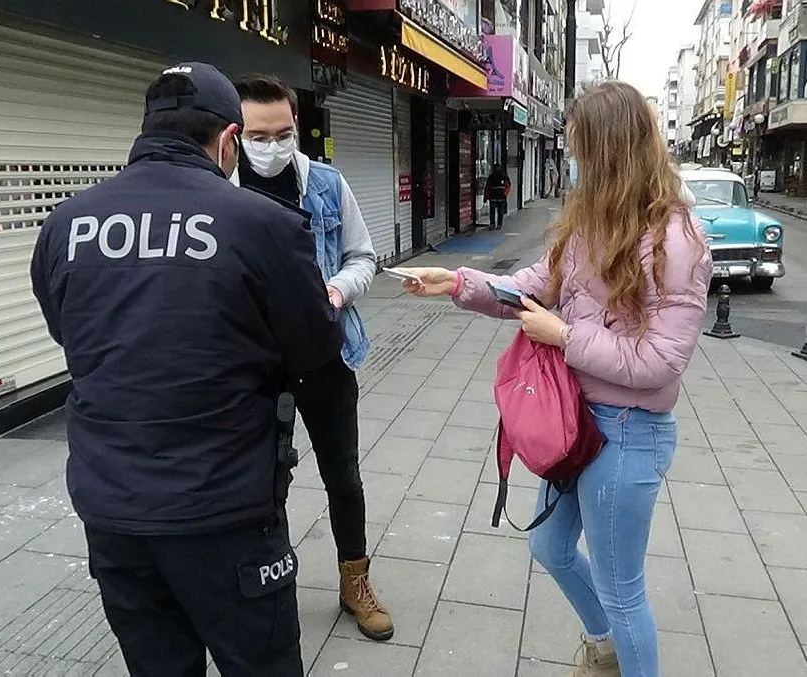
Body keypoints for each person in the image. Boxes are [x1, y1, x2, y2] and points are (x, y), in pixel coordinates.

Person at [30, 62, 343, 677]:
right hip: (225, 512)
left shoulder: (64, 225)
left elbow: (69, 334)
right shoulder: (263, 225)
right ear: (229, 139)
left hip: (114, 514)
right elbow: (314, 349)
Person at [395, 81, 711, 677]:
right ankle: (605, 645)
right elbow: (531, 286)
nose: (573, 163)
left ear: (610, 151)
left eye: (579, 150)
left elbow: (662, 363)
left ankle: (621, 650)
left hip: (627, 432)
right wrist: (459, 284)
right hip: (575, 424)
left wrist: (565, 338)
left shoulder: (676, 239)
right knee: (549, 545)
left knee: (624, 590)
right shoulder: (590, 224)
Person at [231, 74, 393, 641]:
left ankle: (356, 581)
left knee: (342, 476)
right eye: (258, 134)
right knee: (257, 484)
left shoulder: (325, 183)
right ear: (235, 133)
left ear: (296, 126)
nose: (272, 146)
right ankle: (260, 590)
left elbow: (364, 256)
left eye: (283, 133)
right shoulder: (218, 191)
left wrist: (336, 290)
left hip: (324, 357)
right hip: (252, 368)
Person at [483, 164, 511, 230]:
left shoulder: (502, 177)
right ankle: (496, 224)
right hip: (497, 197)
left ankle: (496, 224)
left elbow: (508, 186)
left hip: (497, 197)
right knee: (498, 211)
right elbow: (488, 188)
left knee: (496, 211)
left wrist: (486, 197)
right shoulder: (493, 177)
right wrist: (505, 193)